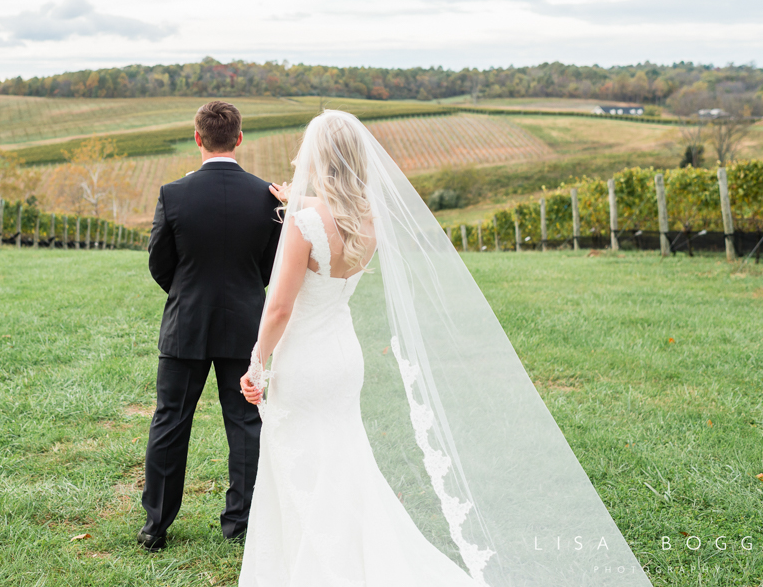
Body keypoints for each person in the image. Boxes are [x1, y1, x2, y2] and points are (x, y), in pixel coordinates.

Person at [238, 111, 653, 586]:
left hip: (305, 363)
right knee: (345, 464)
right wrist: (299, 201)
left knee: (302, 463)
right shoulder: (370, 219)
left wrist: (256, 364)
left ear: (319, 157)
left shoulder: (305, 223)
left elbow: (278, 309)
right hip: (343, 359)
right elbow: (333, 218)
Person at [139, 101, 282, 551]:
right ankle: (240, 524)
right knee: (245, 424)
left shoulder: (173, 194)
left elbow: (160, 264)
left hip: (186, 326)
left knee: (169, 422)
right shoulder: (267, 196)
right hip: (246, 327)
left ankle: (155, 526)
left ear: (198, 138)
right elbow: (272, 268)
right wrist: (242, 296)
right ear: (239, 139)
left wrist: (188, 296)